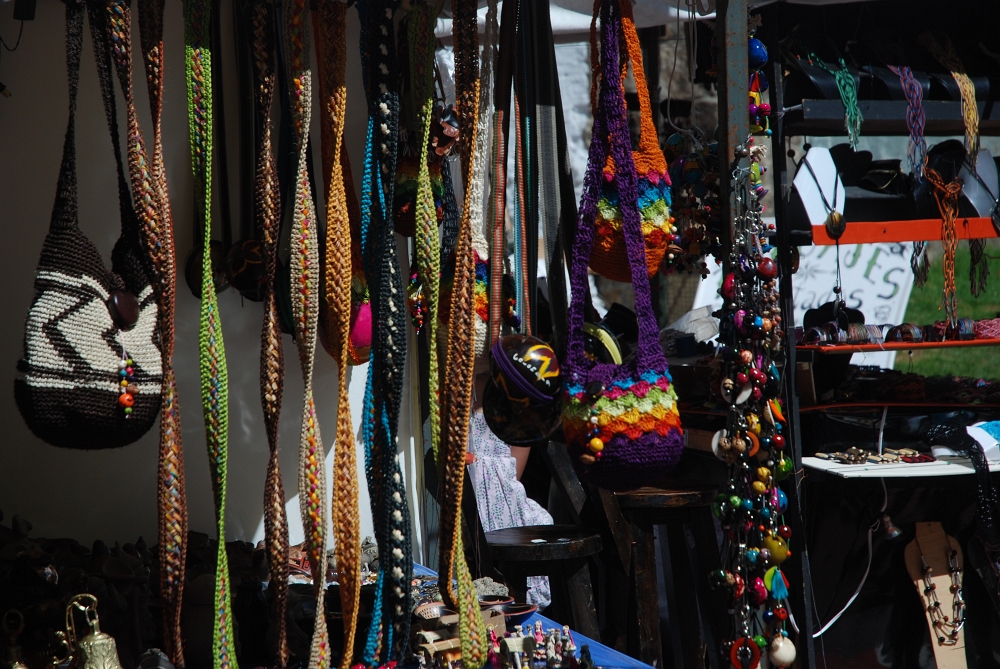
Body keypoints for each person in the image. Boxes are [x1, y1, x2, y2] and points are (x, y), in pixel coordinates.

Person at [468, 373, 554, 608]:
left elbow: (512, 476)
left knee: (540, 520)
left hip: (502, 495)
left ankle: (520, 599)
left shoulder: (516, 403)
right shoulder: (460, 391)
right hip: (467, 500)